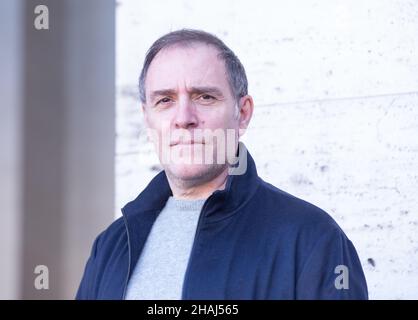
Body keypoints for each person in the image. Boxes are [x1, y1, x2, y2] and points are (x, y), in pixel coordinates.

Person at [76, 29, 368, 300]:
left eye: (204, 97)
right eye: (165, 100)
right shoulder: (112, 245)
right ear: (147, 119)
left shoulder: (312, 239)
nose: (184, 118)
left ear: (242, 114)